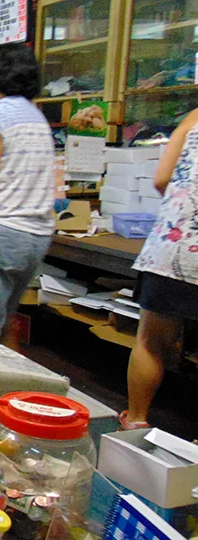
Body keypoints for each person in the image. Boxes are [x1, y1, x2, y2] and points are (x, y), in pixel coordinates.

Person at [0, 43, 56, 341]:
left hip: (1, 231)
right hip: (36, 235)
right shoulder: (35, 115)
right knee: (4, 321)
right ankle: (9, 387)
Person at [121, 108, 198, 430]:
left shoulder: (194, 119)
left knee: (151, 341)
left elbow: (162, 179)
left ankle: (136, 420)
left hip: (174, 244)